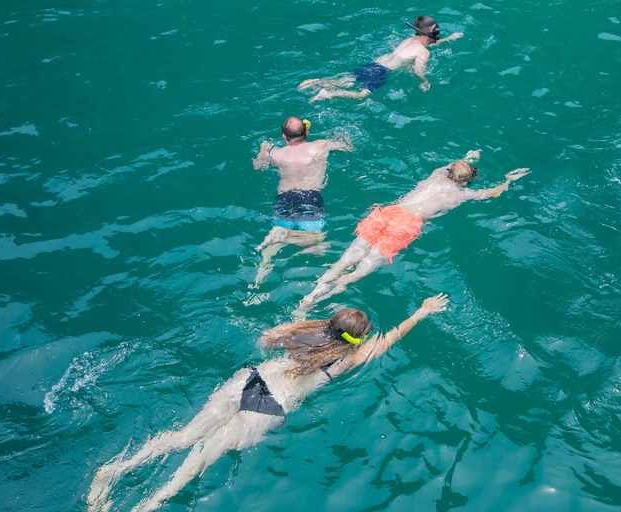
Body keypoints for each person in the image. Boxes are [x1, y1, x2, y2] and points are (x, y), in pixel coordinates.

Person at [86, 293, 450, 512]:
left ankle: (116, 469)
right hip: (271, 405)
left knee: (182, 437)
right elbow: (391, 339)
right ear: (356, 339)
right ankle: (147, 505)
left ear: (330, 322)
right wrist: (421, 310)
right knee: (198, 460)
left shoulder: (304, 331)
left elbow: (265, 340)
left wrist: (309, 321)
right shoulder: (351, 357)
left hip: (249, 379)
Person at [295, 150, 530, 315]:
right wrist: (508, 180)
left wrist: (469, 157)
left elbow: (455, 165)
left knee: (344, 260)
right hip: (406, 224)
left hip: (388, 212)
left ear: (448, 172)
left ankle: (310, 297)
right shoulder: (462, 194)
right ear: (467, 182)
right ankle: (322, 298)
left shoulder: (436, 175)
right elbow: (492, 193)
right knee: (358, 272)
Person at [251, 116, 351, 288]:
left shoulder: (275, 153)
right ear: (306, 132)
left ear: (284, 137)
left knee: (272, 247)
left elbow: (257, 166)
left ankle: (259, 277)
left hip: (284, 197)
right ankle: (297, 242)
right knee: (318, 248)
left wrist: (262, 151)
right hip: (309, 197)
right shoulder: (320, 146)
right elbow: (347, 146)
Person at [298, 16, 463, 102]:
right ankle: (328, 93)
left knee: (346, 79)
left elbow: (429, 44)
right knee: (362, 95)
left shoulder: (409, 40)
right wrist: (425, 81)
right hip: (382, 72)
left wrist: (450, 39)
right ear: (432, 33)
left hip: (374, 64)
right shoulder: (423, 53)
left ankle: (316, 81)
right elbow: (418, 70)